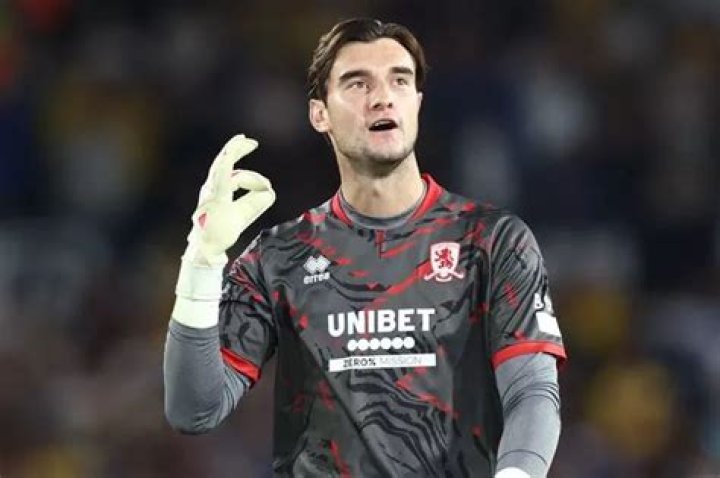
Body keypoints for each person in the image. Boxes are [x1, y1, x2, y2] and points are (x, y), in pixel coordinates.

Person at [164, 18, 566, 478]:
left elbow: (532, 392)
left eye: (400, 80)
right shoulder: (278, 258)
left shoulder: (491, 242)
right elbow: (193, 409)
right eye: (358, 83)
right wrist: (201, 263)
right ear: (320, 114)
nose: (382, 97)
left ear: (417, 103)